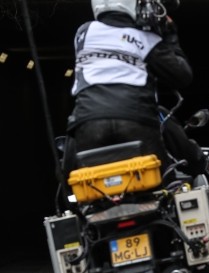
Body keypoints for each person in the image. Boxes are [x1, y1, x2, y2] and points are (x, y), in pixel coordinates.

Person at [62, 0, 193, 180]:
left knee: (79, 186)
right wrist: (169, 34)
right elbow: (182, 76)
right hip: (137, 122)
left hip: (89, 125)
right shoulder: (146, 39)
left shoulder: (83, 33)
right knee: (165, 184)